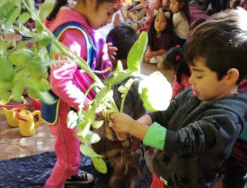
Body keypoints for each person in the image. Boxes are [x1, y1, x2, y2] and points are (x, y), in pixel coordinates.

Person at [111, 8, 247, 188]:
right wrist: (139, 123)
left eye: (199, 75)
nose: (190, 81)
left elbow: (179, 141)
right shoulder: (197, 91)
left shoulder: (227, 118)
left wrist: (133, 127)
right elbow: (164, 114)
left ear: (229, 76)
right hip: (164, 173)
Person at [40, 0, 121, 187]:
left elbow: (78, 54)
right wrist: (90, 107)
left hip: (71, 108)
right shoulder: (72, 33)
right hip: (63, 111)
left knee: (72, 149)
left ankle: (70, 171)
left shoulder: (74, 19)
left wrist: (100, 50)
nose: (109, 21)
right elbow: (60, 82)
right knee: (69, 160)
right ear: (92, 2)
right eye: (109, 13)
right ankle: (59, 179)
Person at [92, 24, 146, 187]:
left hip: (100, 133)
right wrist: (137, 139)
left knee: (103, 164)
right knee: (120, 171)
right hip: (121, 140)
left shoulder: (101, 72)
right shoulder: (135, 82)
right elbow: (140, 114)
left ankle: (104, 177)